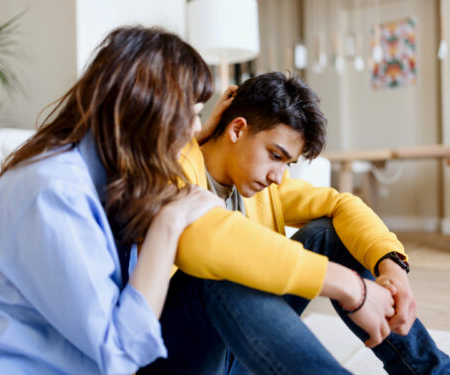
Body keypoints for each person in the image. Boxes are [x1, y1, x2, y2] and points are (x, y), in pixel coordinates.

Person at [0, 26, 224, 374]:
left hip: (73, 358)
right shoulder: (54, 191)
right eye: (190, 111)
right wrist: (168, 225)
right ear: (147, 110)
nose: (194, 129)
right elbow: (119, 354)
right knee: (216, 289)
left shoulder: (107, 179)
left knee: (218, 282)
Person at [140, 73, 450, 374]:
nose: (278, 175)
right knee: (216, 269)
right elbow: (211, 242)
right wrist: (350, 288)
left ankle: (433, 370)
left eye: (286, 163)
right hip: (181, 357)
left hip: (244, 349)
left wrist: (392, 267)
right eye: (274, 155)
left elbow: (342, 204)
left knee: (329, 233)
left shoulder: (265, 186)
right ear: (237, 130)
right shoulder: (173, 172)